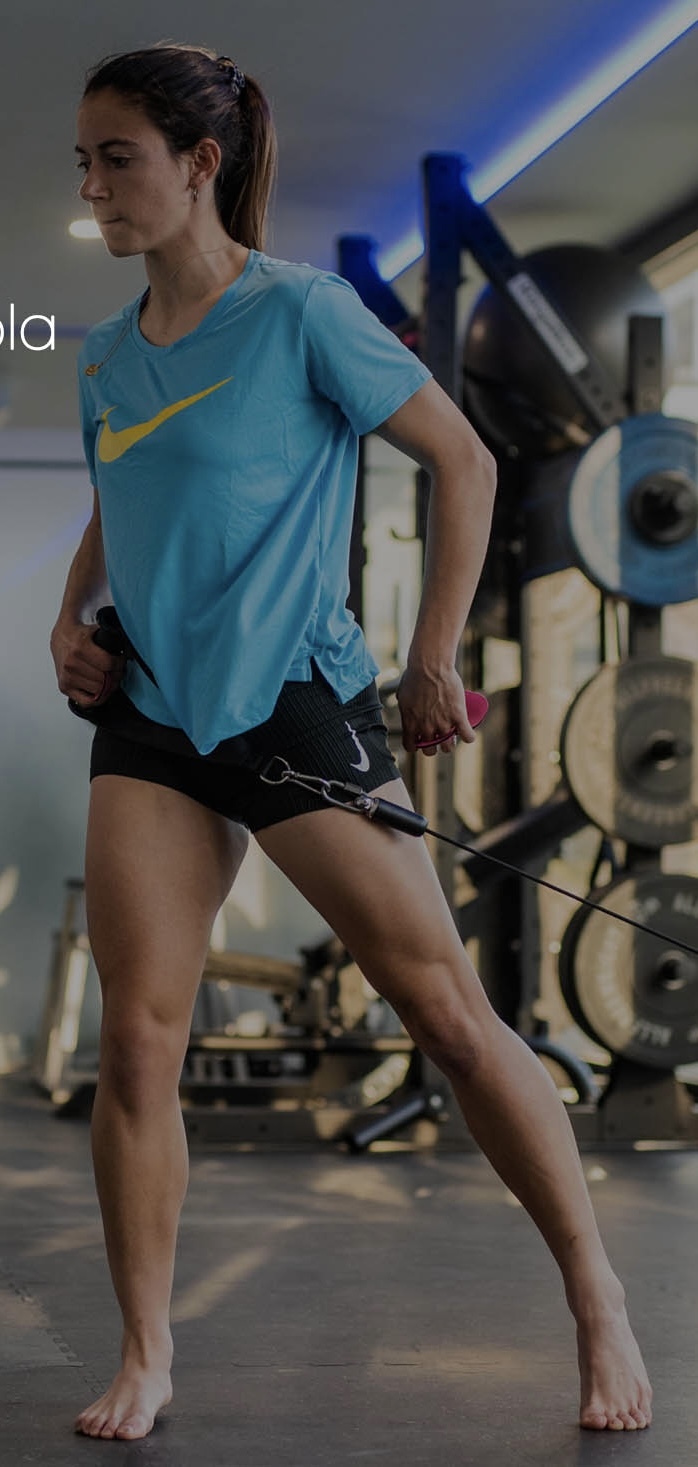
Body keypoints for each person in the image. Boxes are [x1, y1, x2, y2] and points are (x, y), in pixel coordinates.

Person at [50, 41, 652, 1443]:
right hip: (151, 712)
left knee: (445, 1017)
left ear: (200, 164)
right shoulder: (101, 356)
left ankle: (594, 1292)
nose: (92, 188)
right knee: (136, 1045)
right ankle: (146, 1351)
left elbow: (465, 459)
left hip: (288, 703)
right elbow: (117, 500)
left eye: (116, 159)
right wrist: (67, 619)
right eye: (83, 163)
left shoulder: (303, 313)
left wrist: (434, 653)